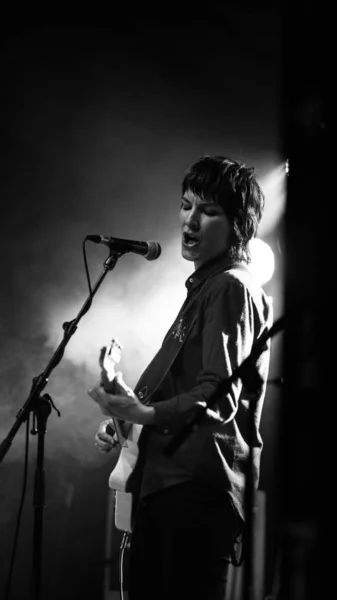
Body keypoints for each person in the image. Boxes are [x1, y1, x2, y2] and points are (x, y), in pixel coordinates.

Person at [89, 155, 273, 600]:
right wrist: (128, 424)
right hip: (173, 491)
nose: (190, 220)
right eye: (186, 205)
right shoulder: (208, 289)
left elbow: (216, 397)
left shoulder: (231, 287)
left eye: (208, 211)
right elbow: (188, 395)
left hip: (192, 495)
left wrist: (144, 412)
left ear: (238, 225)